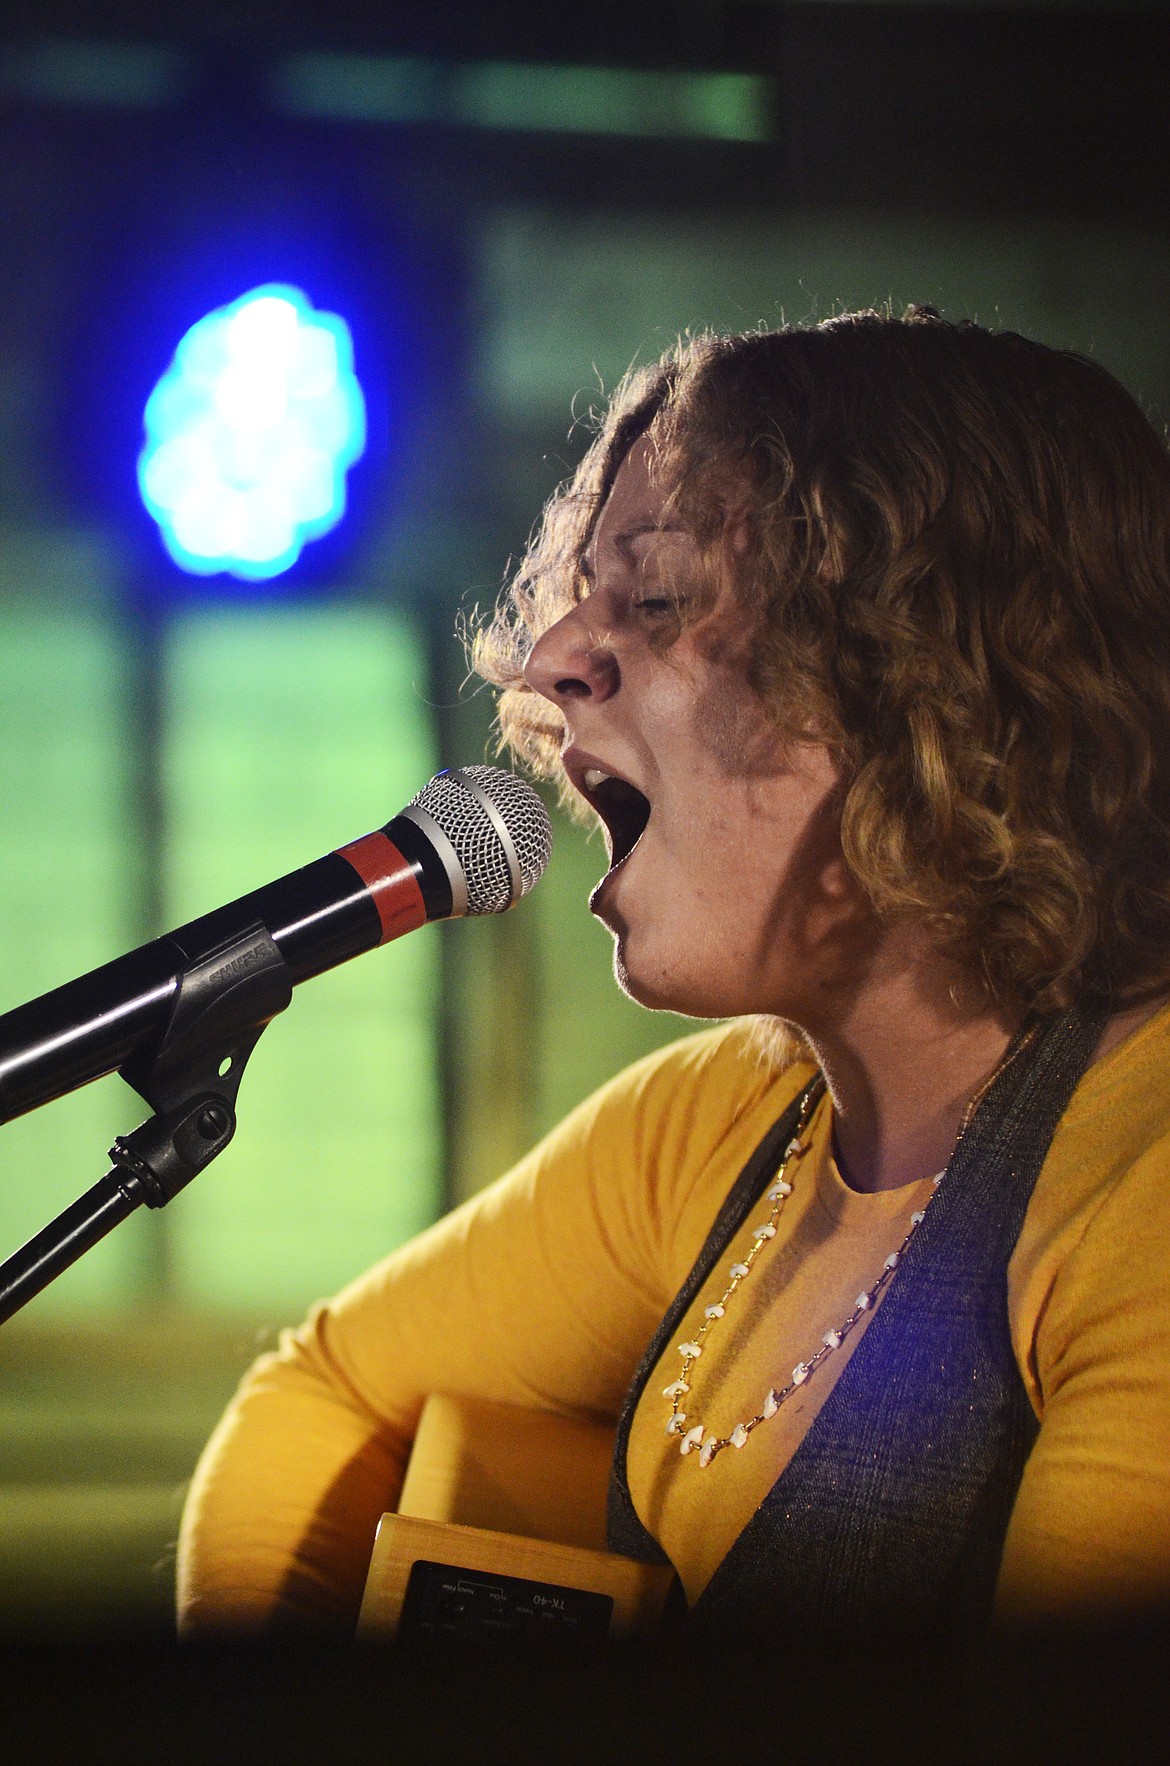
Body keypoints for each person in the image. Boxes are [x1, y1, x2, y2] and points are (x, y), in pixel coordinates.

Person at [176, 307, 1170, 1641]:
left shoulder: (1140, 1191)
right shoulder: (708, 1128)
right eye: (577, 596)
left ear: (928, 663)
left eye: (653, 597)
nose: (547, 662)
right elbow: (323, 1394)